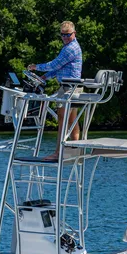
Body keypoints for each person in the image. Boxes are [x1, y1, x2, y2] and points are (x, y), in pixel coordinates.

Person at [27, 21, 83, 160]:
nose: (65, 37)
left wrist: (35, 67)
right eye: (62, 35)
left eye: (68, 35)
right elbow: (59, 69)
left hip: (69, 89)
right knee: (71, 121)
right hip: (71, 88)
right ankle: (75, 152)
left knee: (63, 121)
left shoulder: (71, 48)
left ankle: (58, 153)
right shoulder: (67, 47)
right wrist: (44, 77)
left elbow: (54, 64)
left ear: (74, 33)